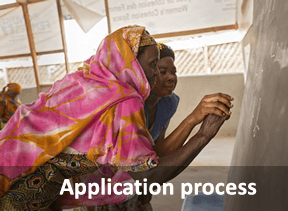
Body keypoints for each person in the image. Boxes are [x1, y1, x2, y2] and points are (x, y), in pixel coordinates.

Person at [0, 25, 233, 210]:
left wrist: (193, 120)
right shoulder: (124, 102)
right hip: (28, 189)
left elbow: (148, 156)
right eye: (154, 66)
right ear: (130, 62)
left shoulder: (83, 82)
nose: (156, 73)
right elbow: (147, 175)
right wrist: (203, 135)